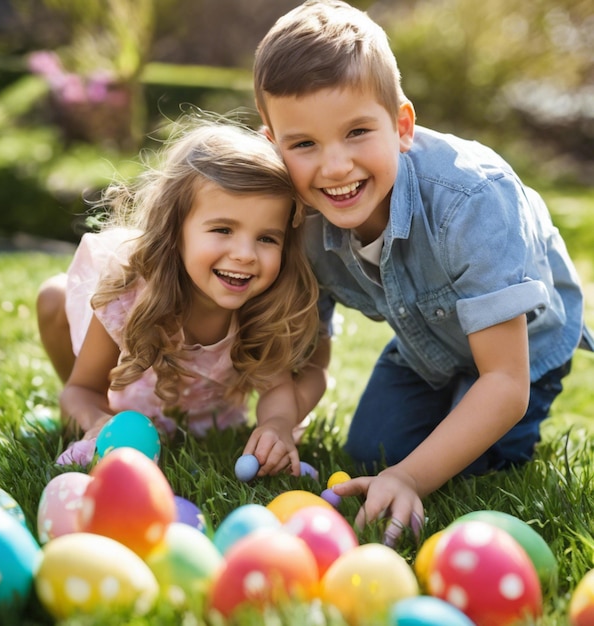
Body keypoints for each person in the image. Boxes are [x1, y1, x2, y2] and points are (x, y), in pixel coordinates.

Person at [253, 0, 592, 545]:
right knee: (370, 456)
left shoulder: (471, 201)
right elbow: (301, 350)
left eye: (357, 132)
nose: (335, 167)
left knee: (462, 468)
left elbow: (505, 383)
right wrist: (276, 422)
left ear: (402, 125)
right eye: (304, 144)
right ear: (274, 146)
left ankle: (477, 434)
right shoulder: (301, 222)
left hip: (520, 350)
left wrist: (412, 476)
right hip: (426, 344)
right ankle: (444, 405)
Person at [36, 116, 322, 475]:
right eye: (223, 229)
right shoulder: (129, 296)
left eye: (267, 238)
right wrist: (97, 420)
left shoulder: (265, 304)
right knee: (53, 294)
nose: (246, 254)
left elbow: (277, 387)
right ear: (175, 230)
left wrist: (277, 425)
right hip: (127, 413)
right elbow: (80, 390)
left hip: (212, 427)